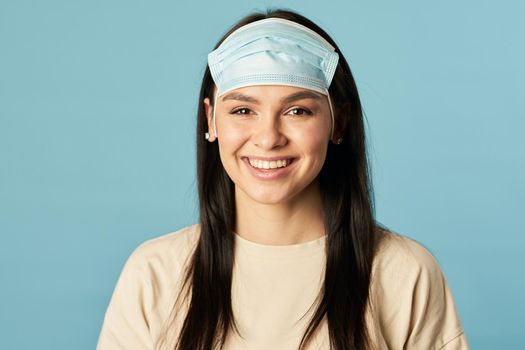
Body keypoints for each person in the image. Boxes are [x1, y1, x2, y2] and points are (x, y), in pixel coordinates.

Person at [96, 9, 469, 350]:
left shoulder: (404, 273)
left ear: (338, 120)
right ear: (210, 120)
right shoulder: (154, 274)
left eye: (297, 110)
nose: (269, 137)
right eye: (243, 110)